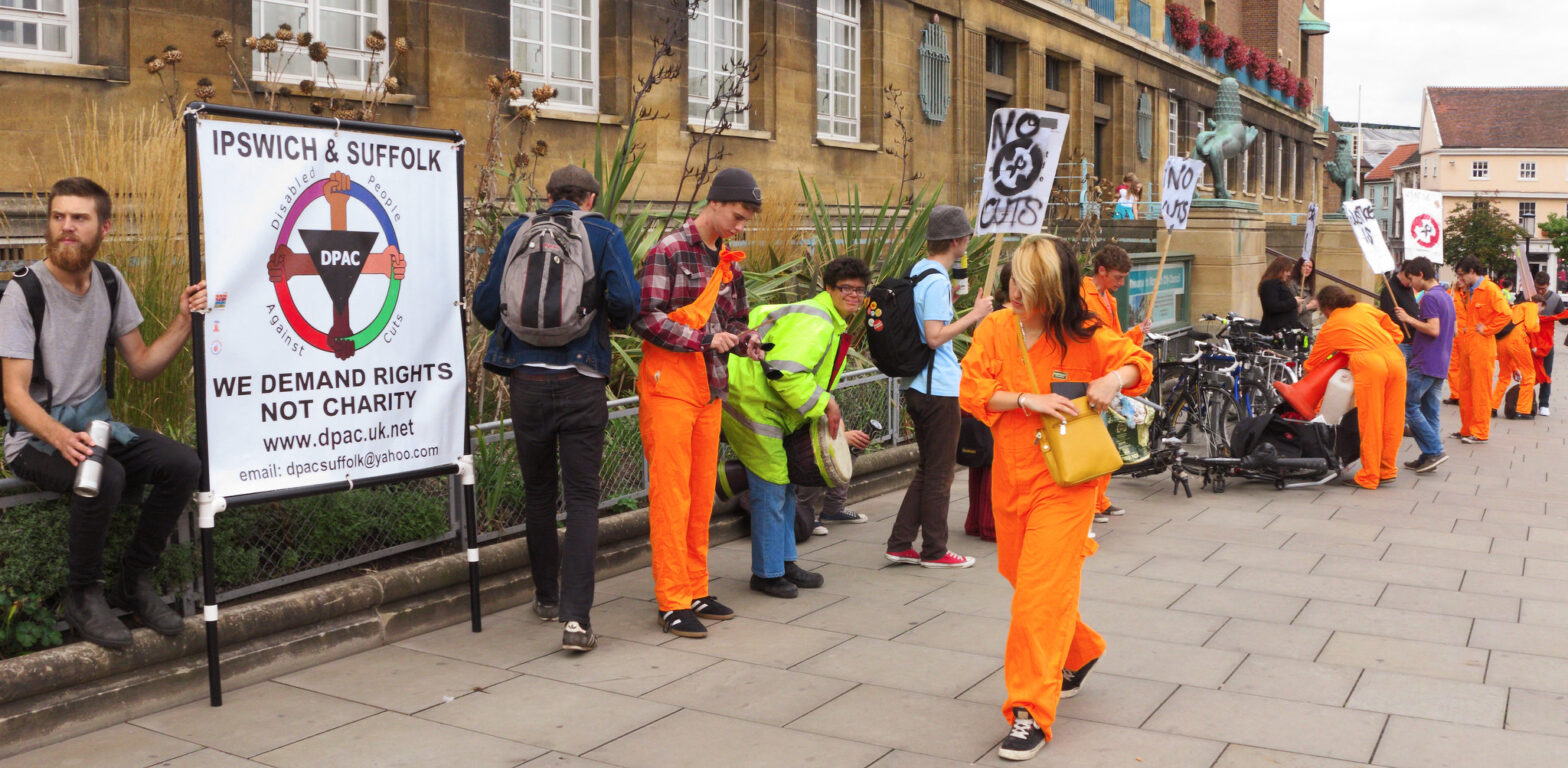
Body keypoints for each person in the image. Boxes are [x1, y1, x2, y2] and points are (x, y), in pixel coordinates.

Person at [959, 235, 1151, 761]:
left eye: (1028, 282)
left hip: (1067, 484)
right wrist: (1027, 398)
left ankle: (1029, 712)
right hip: (1011, 477)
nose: (1014, 290)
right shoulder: (997, 327)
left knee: (1037, 599)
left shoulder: (1085, 332)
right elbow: (972, 391)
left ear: (1055, 288)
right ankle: (1082, 649)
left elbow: (1138, 363)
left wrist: (1113, 377)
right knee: (1018, 576)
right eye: (1012, 279)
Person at [1, 177, 206, 650]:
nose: (66, 228)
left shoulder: (111, 281)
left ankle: (133, 581)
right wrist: (57, 436)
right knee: (105, 474)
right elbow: (14, 395)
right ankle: (83, 595)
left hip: (95, 427)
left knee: (183, 464)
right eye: (58, 217)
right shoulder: (24, 293)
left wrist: (182, 321)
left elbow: (143, 366)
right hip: (34, 439)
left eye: (79, 218)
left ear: (104, 227)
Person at [474, 165, 639, 653]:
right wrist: (603, 318)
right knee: (583, 498)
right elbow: (627, 301)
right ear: (589, 198)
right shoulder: (605, 232)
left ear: (549, 197)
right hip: (581, 379)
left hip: (526, 381)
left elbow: (486, 308)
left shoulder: (517, 231)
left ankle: (546, 598)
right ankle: (576, 620)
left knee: (539, 492)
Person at [634, 167, 766, 638]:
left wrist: (748, 341)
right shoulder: (667, 251)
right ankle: (672, 600)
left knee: (698, 498)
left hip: (709, 388)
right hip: (669, 386)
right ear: (714, 204)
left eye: (747, 218)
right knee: (672, 497)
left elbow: (738, 317)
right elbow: (644, 318)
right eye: (737, 215)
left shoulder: (730, 260)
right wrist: (704, 339)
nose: (741, 225)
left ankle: (696, 588)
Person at [722, 257, 872, 597]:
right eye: (846, 288)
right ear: (829, 288)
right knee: (773, 487)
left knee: (785, 484)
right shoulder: (819, 322)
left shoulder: (825, 318)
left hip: (763, 403)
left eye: (860, 290)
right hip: (754, 405)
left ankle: (783, 563)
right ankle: (767, 573)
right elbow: (784, 374)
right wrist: (826, 403)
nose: (854, 295)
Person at [885, 205, 992, 569]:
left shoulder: (919, 272)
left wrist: (959, 304)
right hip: (937, 387)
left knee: (928, 467)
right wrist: (974, 317)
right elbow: (933, 337)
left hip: (920, 385)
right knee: (941, 472)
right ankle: (934, 550)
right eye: (967, 238)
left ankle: (901, 542)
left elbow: (926, 322)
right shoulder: (934, 280)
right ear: (958, 241)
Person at [1306, 286, 1407, 489]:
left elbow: (1313, 364)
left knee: (1371, 420)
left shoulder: (1331, 326)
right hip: (1395, 359)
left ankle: (1369, 475)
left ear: (1327, 308)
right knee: (1392, 418)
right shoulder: (1365, 308)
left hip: (1369, 364)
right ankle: (1387, 469)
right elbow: (1397, 332)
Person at [1079, 245, 1148, 521]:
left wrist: (1135, 333)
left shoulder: (1109, 299)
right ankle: (1091, 501)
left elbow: (1115, 338)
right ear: (1102, 271)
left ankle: (1099, 499)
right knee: (1095, 443)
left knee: (1106, 442)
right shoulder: (1083, 296)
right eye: (1118, 278)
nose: (1121, 283)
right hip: (1091, 377)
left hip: (1107, 376)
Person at [1391, 258, 1455, 473]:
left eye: (1410, 279)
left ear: (1420, 274)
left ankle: (1435, 450)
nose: (1410, 284)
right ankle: (1428, 455)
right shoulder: (1446, 297)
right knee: (1430, 412)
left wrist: (1408, 319)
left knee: (1409, 407)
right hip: (1439, 361)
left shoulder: (1429, 298)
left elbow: (1433, 329)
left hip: (1425, 361)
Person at [1448, 257, 1511, 444]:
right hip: (1469, 343)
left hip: (1482, 345)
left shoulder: (1490, 289)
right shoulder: (1470, 291)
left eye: (1462, 274)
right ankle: (1467, 429)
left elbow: (1506, 314)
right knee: (1465, 389)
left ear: (1472, 271)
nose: (1460, 278)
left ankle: (1480, 431)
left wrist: (1488, 329)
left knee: (1481, 390)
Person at [1491, 293, 1540, 419]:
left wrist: (1514, 368)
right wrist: (1537, 322)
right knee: (1529, 374)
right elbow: (1531, 327)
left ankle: (1492, 406)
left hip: (1502, 341)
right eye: (1541, 309)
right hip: (1518, 340)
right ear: (1539, 304)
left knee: (1503, 376)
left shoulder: (1514, 308)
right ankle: (1523, 409)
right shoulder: (1531, 305)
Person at [1531, 272, 1565, 416]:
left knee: (1546, 373)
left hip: (1546, 342)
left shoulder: (1556, 299)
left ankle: (1544, 404)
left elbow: (1563, 318)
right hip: (1530, 341)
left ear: (1549, 286)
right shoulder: (1528, 295)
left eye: (1543, 289)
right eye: (1537, 288)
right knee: (1529, 373)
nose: (1539, 291)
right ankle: (1527, 401)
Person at [1258, 256, 1316, 333]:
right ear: (1278, 270)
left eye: (1290, 271)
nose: (1289, 274)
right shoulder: (1270, 284)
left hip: (1286, 330)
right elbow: (1273, 306)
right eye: (1287, 271)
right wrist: (1294, 302)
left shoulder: (1280, 284)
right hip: (1275, 331)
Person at [1378, 266, 1424, 360]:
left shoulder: (1408, 288)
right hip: (1401, 341)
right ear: (1405, 273)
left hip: (1413, 339)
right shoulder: (1389, 290)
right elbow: (1389, 318)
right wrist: (1411, 322)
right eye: (1410, 279)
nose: (1412, 283)